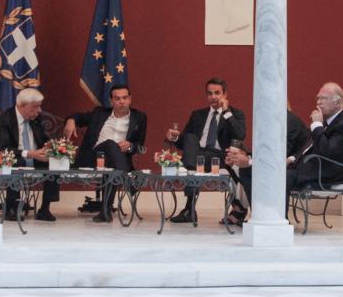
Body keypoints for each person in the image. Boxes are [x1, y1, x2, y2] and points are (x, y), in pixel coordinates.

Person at [166, 77, 246, 224]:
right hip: (197, 156)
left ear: (225, 95)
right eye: (210, 93)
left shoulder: (235, 114)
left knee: (193, 160)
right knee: (190, 137)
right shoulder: (198, 115)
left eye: (217, 93)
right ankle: (191, 171)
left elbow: (240, 135)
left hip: (219, 158)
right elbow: (184, 144)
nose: (213, 97)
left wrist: (226, 112)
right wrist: (175, 138)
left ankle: (189, 207)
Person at [62, 84, 147, 223]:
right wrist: (71, 120)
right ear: (111, 101)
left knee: (112, 168)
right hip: (92, 158)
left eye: (125, 98)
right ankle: (128, 181)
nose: (122, 101)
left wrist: (130, 146)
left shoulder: (139, 117)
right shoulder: (99, 113)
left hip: (117, 161)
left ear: (130, 99)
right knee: (110, 144)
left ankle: (105, 212)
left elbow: (139, 145)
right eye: (117, 98)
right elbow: (77, 116)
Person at [224, 109, 310, 225]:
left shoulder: (288, 122)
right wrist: (245, 155)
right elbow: (265, 151)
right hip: (277, 163)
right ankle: (258, 215)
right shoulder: (272, 120)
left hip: (293, 166)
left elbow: (279, 155)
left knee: (255, 169)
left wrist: (249, 161)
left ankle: (278, 217)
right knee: (246, 170)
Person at [0, 88, 59, 221]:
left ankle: (45, 208)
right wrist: (29, 154)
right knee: (16, 162)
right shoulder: (4, 120)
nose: (39, 110)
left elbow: (43, 139)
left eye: (40, 106)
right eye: (35, 107)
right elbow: (3, 148)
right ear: (22, 106)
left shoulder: (35, 118)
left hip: (35, 157)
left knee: (54, 162)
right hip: (15, 158)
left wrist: (49, 148)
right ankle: (12, 206)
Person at [286, 83, 343, 191]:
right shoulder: (330, 120)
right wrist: (292, 158)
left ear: (338, 103)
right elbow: (309, 146)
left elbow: (327, 151)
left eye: (323, 98)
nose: (318, 102)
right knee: (266, 173)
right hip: (314, 168)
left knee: (282, 178)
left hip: (329, 174)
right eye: (318, 98)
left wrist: (317, 125)